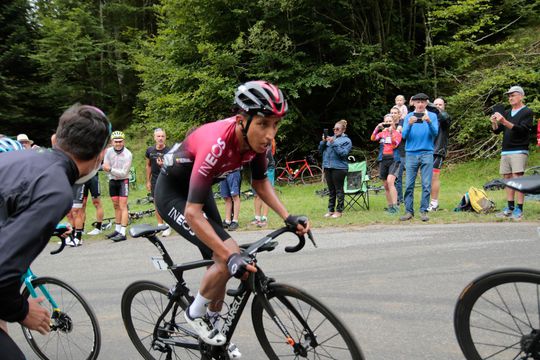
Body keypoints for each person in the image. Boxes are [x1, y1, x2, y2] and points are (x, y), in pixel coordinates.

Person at [154, 80, 310, 357]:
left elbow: (261, 184)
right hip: (173, 194)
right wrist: (230, 255)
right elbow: (192, 213)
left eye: (275, 125)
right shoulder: (217, 143)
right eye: (263, 123)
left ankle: (215, 331)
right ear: (242, 120)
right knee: (229, 255)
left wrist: (288, 217)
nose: (269, 134)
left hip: (197, 191)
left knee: (225, 262)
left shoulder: (258, 144)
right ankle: (194, 313)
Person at [0, 105, 110, 359]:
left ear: (54, 139)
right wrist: (22, 311)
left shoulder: (16, 159)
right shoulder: (57, 190)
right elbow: (3, 272)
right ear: (100, 156)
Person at [491, 85, 534, 220]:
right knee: (508, 180)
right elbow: (497, 131)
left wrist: (504, 121)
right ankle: (509, 207)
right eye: (509, 96)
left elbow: (522, 130)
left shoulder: (527, 112)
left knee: (518, 179)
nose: (510, 97)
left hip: (519, 149)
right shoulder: (508, 112)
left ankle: (519, 209)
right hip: (506, 150)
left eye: (513, 95)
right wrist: (494, 123)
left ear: (521, 96)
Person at [399, 93, 439, 222]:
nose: (420, 104)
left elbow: (435, 133)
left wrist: (429, 122)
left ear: (426, 103)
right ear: (413, 103)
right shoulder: (409, 117)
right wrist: (409, 124)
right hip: (411, 153)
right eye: (418, 102)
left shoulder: (432, 116)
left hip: (427, 152)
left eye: (422, 102)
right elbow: (404, 136)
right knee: (409, 184)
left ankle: (423, 211)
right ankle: (408, 211)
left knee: (426, 184)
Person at [319, 119, 352, 218]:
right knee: (331, 190)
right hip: (328, 167)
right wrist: (323, 142)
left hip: (339, 168)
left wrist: (333, 143)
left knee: (339, 190)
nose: (335, 130)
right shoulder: (330, 138)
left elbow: (343, 153)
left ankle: (339, 211)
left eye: (337, 129)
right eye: (334, 129)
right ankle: (330, 210)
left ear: (343, 130)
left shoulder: (347, 140)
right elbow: (320, 151)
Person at [103, 130, 133, 242]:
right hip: (112, 181)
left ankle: (123, 232)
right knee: (116, 205)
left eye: (120, 141)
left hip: (123, 181)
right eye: (116, 142)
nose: (118, 143)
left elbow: (124, 173)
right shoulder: (108, 152)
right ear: (112, 142)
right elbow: (105, 166)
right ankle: (117, 229)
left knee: (123, 205)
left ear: (124, 141)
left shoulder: (128, 154)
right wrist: (110, 170)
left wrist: (110, 169)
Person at [371, 114, 402, 213]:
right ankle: (390, 207)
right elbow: (372, 138)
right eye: (386, 122)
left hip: (394, 160)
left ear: (393, 123)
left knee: (390, 182)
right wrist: (377, 128)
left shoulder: (397, 133)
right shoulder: (382, 133)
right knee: (385, 185)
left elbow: (395, 144)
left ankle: (395, 206)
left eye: (390, 121)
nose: (388, 123)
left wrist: (390, 133)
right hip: (383, 160)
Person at [427, 98, 452, 212]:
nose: (438, 106)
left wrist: (433, 106)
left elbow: (444, 117)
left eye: (440, 104)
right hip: (425, 150)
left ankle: (434, 203)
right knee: (425, 178)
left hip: (438, 151)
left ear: (444, 106)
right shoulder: (429, 117)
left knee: (434, 177)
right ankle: (426, 202)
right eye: (436, 104)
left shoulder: (445, 118)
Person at [145, 128, 171, 236]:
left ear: (165, 138)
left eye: (162, 136)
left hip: (167, 179)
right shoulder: (150, 150)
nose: (160, 138)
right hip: (155, 179)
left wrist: (162, 165)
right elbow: (148, 165)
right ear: (154, 138)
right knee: (157, 203)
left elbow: (173, 168)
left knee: (166, 203)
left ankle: (168, 226)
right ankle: (160, 225)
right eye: (158, 136)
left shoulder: (169, 151)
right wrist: (148, 181)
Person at [251, 139, 276, 227]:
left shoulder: (267, 139)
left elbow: (267, 153)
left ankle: (264, 218)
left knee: (266, 194)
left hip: (268, 168)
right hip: (256, 168)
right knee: (256, 194)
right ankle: (257, 217)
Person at [390, 105, 407, 204]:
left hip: (401, 153)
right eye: (391, 113)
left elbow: (402, 136)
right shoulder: (389, 124)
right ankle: (395, 199)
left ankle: (400, 199)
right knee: (392, 177)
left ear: (399, 114)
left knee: (398, 177)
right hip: (391, 153)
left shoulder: (403, 123)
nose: (393, 115)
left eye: (395, 113)